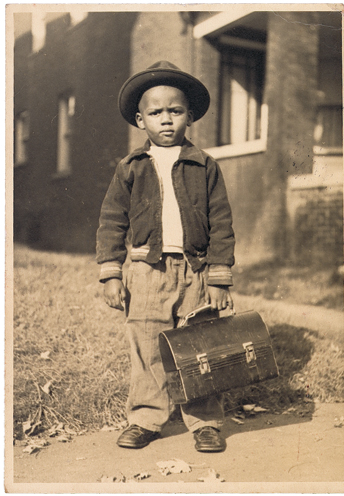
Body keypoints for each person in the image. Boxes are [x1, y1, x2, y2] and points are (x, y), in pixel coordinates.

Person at [96, 61, 235, 452]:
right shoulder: (131, 167)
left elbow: (222, 222)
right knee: (147, 344)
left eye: (175, 111)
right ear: (141, 121)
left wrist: (220, 277)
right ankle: (145, 418)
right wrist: (111, 274)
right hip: (145, 271)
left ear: (189, 115)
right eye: (156, 113)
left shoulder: (204, 165)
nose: (167, 120)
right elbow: (111, 221)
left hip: (195, 271)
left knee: (198, 345)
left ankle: (204, 422)